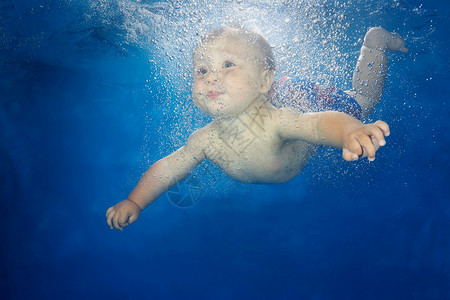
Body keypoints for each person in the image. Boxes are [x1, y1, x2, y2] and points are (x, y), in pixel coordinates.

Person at [106, 26, 407, 230]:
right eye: (202, 70)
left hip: (307, 102)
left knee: (363, 100)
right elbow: (168, 167)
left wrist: (349, 132)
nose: (211, 77)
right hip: (278, 94)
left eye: (227, 65)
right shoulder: (204, 139)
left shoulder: (276, 121)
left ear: (264, 81)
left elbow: (316, 123)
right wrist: (135, 200)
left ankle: (375, 42)